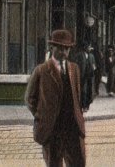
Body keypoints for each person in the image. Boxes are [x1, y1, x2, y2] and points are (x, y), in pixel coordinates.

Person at [25, 29, 87, 166]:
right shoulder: (41, 70)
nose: (64, 52)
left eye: (67, 49)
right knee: (53, 163)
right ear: (52, 47)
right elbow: (30, 99)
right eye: (60, 48)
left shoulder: (74, 69)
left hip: (73, 128)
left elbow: (77, 95)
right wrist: (43, 115)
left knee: (78, 162)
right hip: (52, 129)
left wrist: (79, 115)